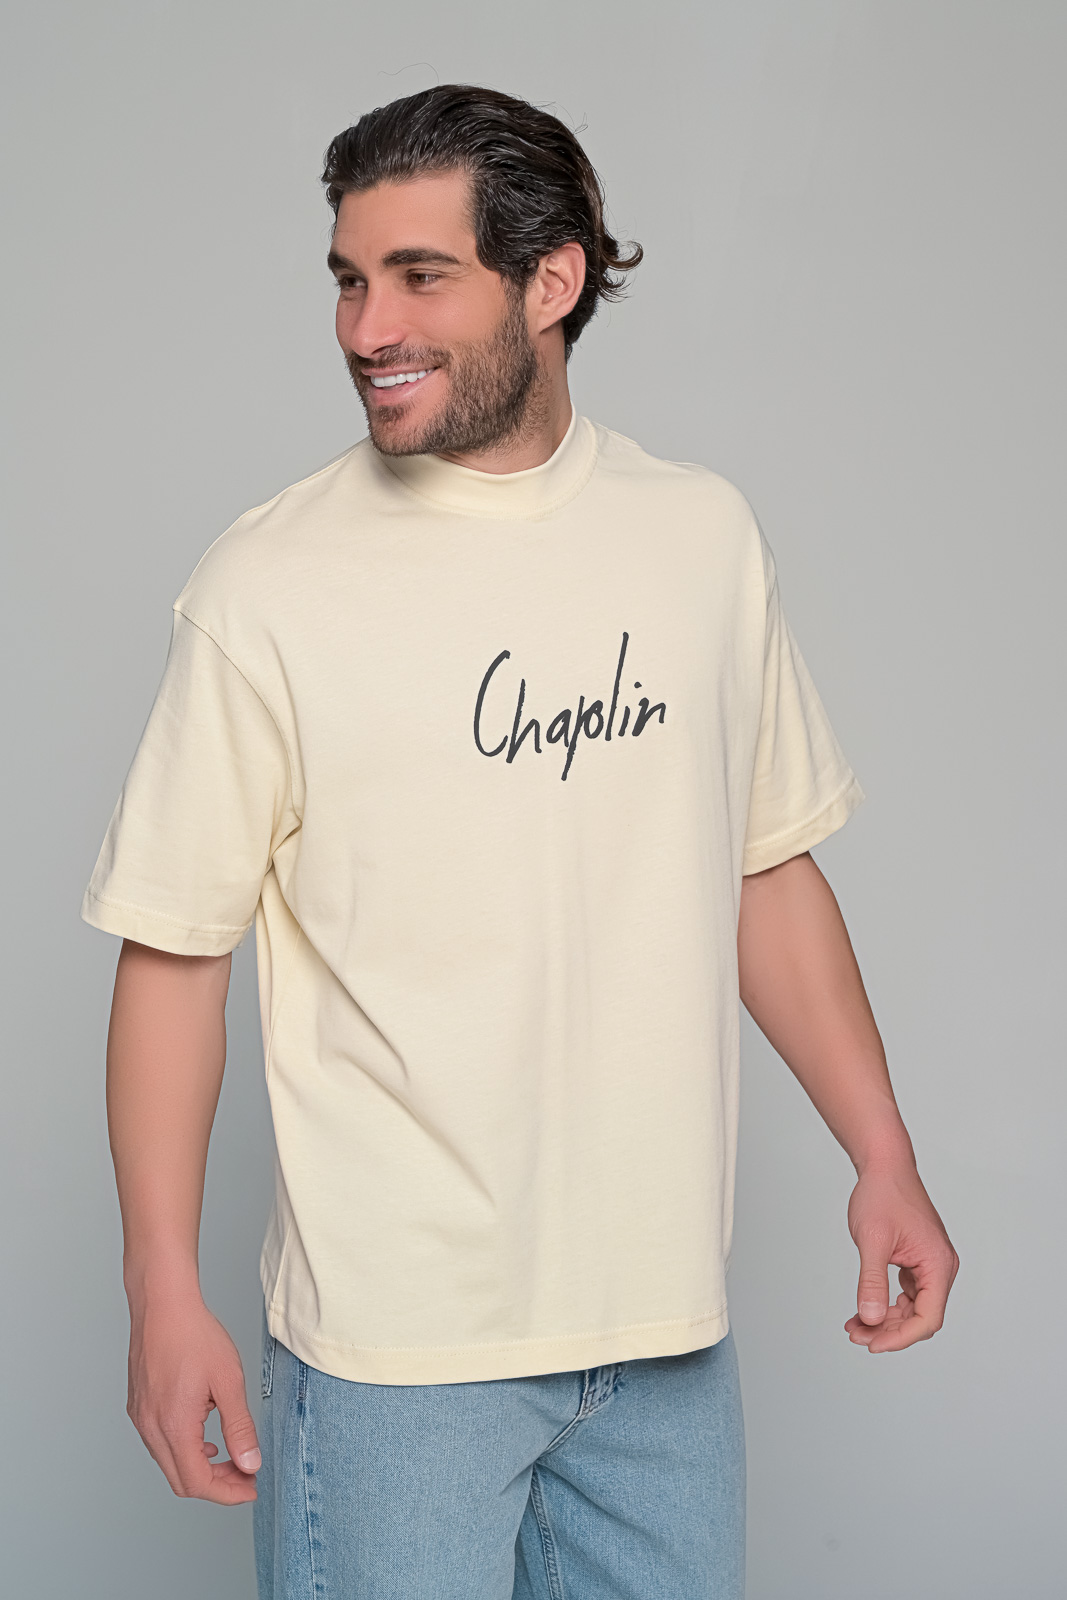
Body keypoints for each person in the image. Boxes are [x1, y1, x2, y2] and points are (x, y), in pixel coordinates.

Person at [80, 83, 959, 1600]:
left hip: (666, 1344)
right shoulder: (266, 586)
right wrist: (162, 1287)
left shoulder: (700, 538)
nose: (368, 328)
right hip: (393, 1361)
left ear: (552, 282)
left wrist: (883, 1151)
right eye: (350, 280)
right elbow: (176, 953)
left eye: (419, 277)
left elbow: (762, 869)